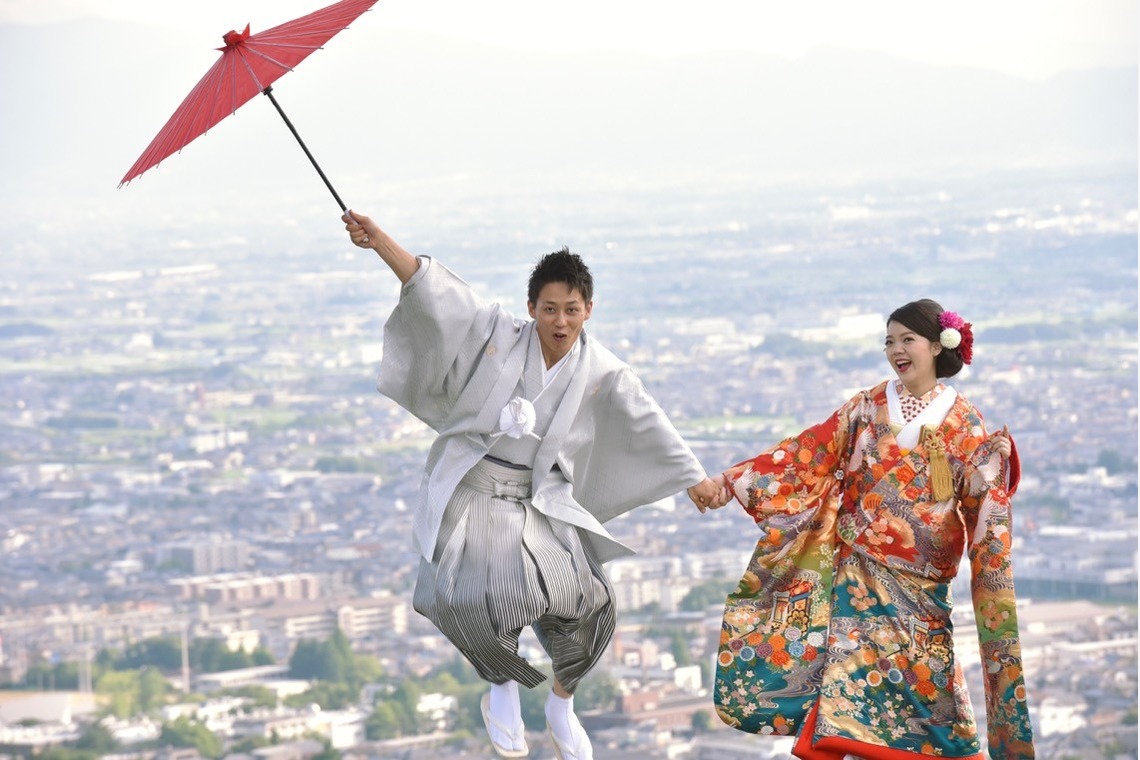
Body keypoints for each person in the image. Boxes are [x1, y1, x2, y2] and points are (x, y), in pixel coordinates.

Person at [343, 211, 725, 760]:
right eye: (550, 309)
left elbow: (645, 418)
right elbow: (437, 296)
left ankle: (562, 702)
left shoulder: (600, 369)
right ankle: (501, 688)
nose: (561, 320)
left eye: (572, 309)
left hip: (537, 497)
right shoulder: (497, 333)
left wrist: (693, 479)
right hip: (474, 489)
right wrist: (380, 242)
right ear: (531, 309)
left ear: (588, 310)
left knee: (591, 602)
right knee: (482, 596)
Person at [709, 299, 1035, 759]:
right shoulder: (865, 407)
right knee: (843, 694)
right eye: (889, 341)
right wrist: (729, 482)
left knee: (935, 701)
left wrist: (992, 471)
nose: (896, 350)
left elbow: (982, 502)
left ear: (938, 346)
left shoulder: (966, 423)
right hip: (855, 574)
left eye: (907, 340)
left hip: (921, 591)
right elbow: (806, 455)